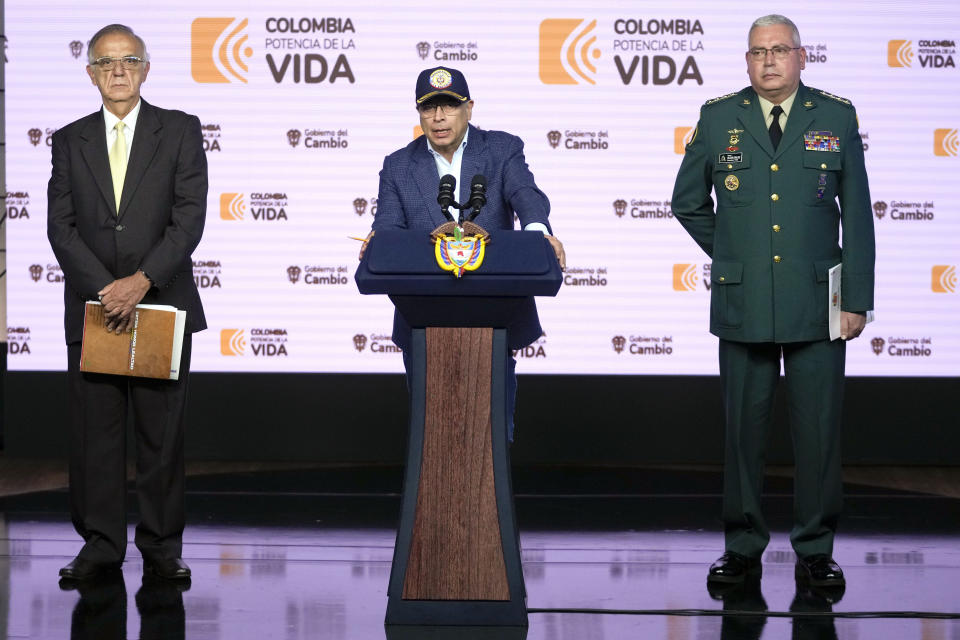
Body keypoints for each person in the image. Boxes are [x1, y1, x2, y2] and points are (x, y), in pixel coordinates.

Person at [671, 14, 874, 588]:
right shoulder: (717, 119)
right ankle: (741, 547)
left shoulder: (835, 115)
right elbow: (686, 201)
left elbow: (856, 214)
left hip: (818, 302)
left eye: (779, 50)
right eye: (758, 51)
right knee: (742, 434)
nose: (768, 60)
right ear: (746, 60)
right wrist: (736, 255)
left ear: (801, 57)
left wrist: (856, 298)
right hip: (745, 303)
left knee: (817, 432)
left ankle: (815, 547)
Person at [47, 24, 207, 582]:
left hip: (160, 302)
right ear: (90, 72)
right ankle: (100, 545)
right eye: (106, 62)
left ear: (144, 69)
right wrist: (106, 290)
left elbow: (189, 219)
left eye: (129, 60)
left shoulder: (181, 131)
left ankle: (161, 547)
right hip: (95, 310)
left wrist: (140, 281)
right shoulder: (69, 140)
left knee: (160, 437)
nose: (118, 71)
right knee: (97, 435)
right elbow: (60, 228)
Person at [361, 66, 565, 440]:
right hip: (423, 322)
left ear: (469, 108)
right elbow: (388, 225)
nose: (438, 118)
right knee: (432, 439)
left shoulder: (502, 149)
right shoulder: (398, 165)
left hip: (493, 318)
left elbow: (526, 195)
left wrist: (538, 233)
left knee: (490, 436)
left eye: (449, 107)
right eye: (428, 108)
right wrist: (380, 244)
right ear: (419, 113)